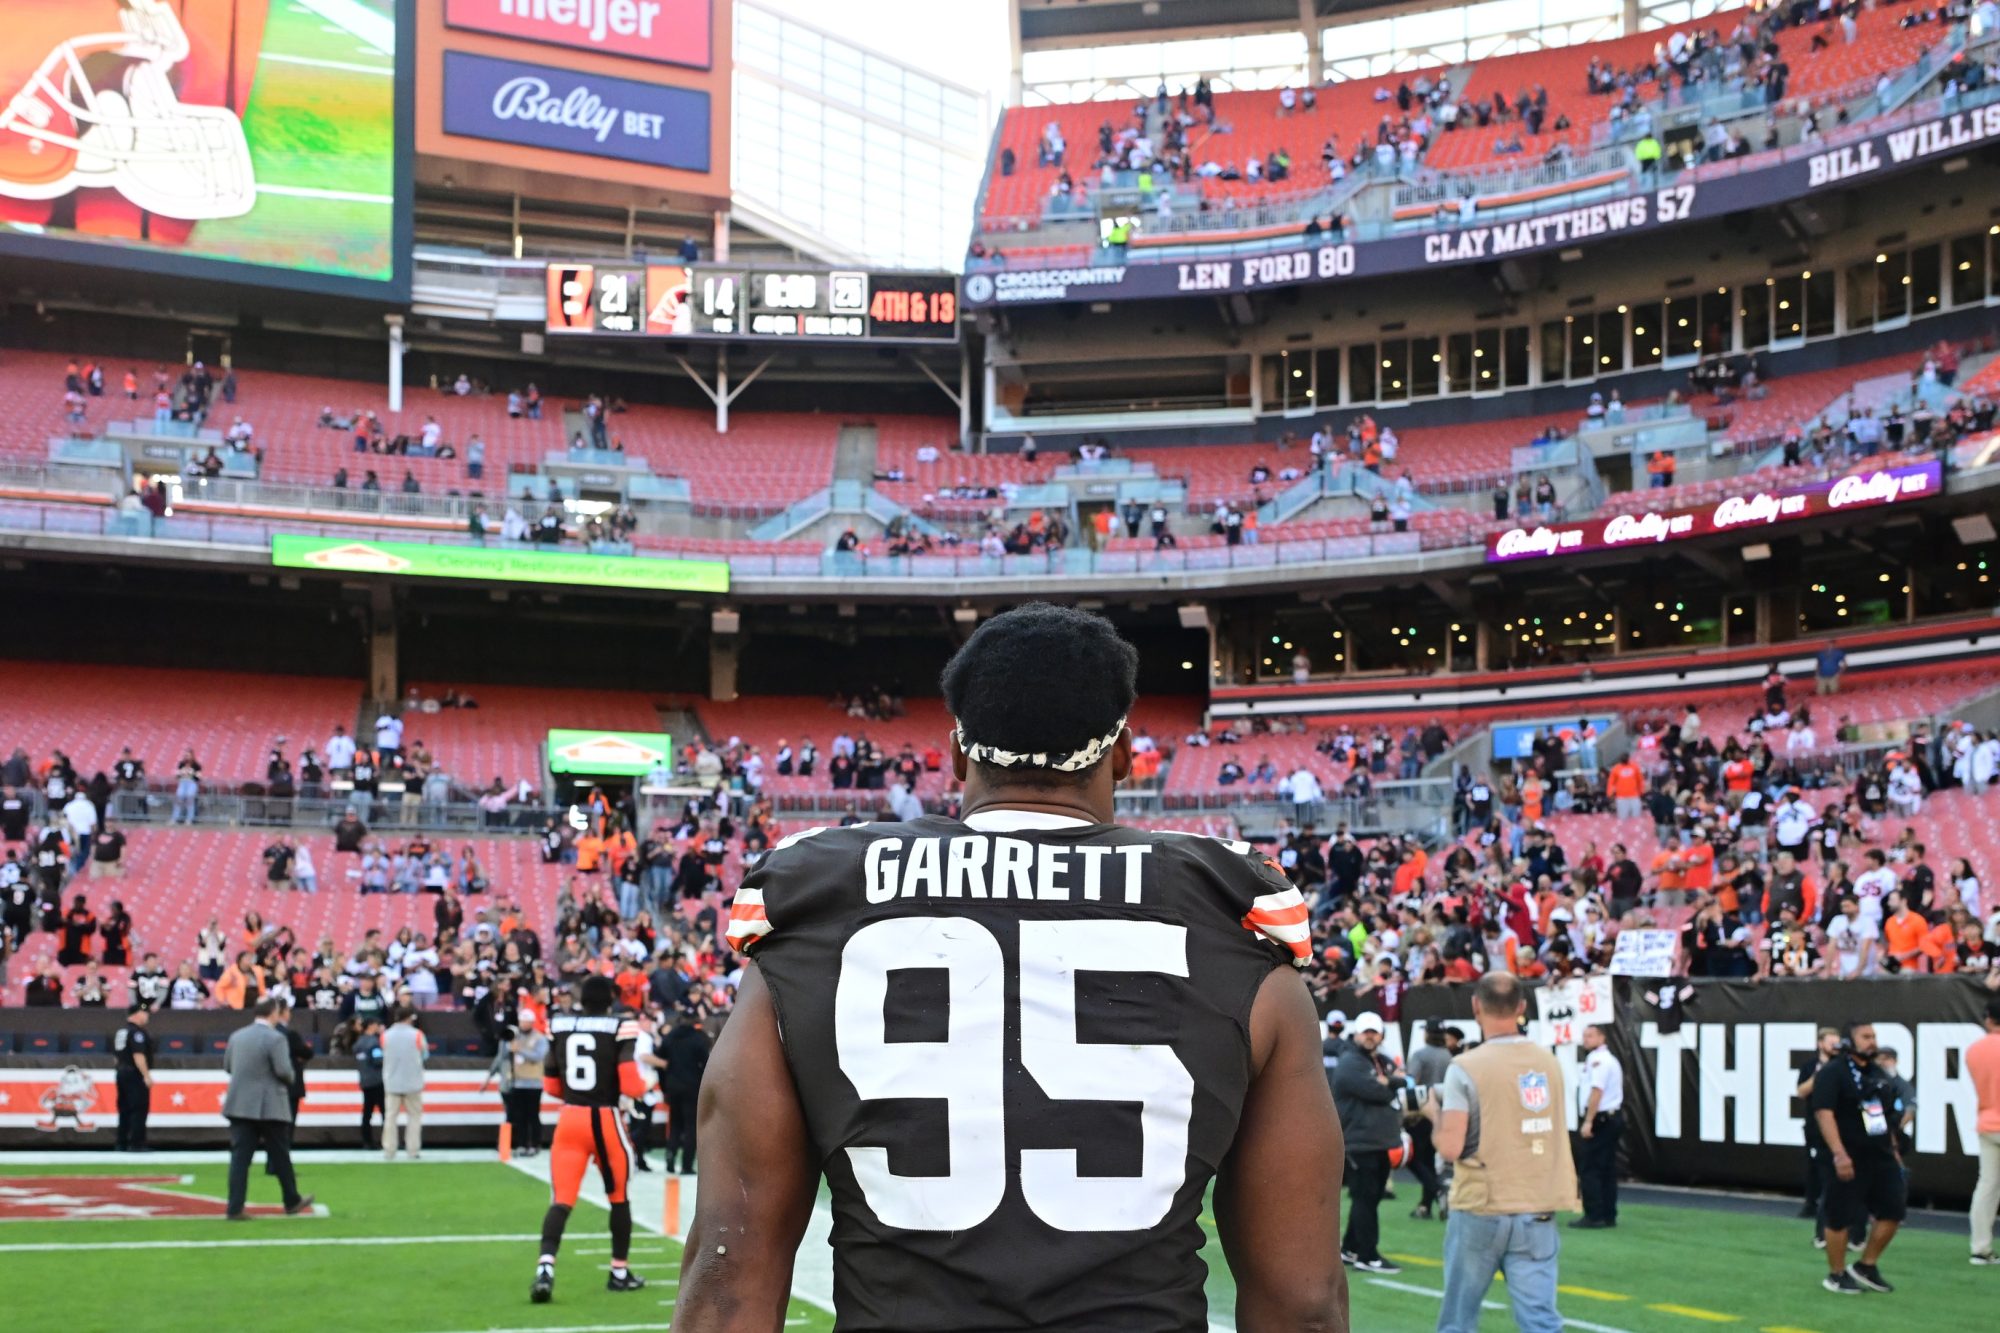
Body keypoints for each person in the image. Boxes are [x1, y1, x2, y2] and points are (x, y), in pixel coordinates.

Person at [677, 603, 1347, 1333]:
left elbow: (727, 1284)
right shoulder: (1235, 928)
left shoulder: (812, 918)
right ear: (1121, 755)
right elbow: (1302, 1303)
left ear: (960, 756)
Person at [1428, 971, 1579, 1333]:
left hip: (1482, 1204)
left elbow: (1450, 1146)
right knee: (1541, 1321)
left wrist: (1432, 1112)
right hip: (1536, 1204)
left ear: (1476, 1006)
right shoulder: (1548, 1061)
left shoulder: (1465, 1067)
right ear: (1522, 1007)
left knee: (1458, 1321)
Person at [533, 974, 649, 1304]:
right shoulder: (619, 1027)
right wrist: (647, 1087)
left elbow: (552, 1086)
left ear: (581, 998)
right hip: (604, 1120)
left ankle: (545, 1267)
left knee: (561, 1199)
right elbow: (629, 1084)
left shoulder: (559, 1024)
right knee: (618, 1196)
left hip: (569, 1120)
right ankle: (619, 1272)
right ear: (610, 998)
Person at [1811, 1022, 1905, 1295]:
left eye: (1874, 1036)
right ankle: (1836, 1273)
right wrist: (1839, 1154)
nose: (1871, 1041)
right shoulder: (1833, 1072)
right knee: (1840, 1215)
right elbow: (1824, 1113)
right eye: (1865, 1037)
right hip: (1846, 1154)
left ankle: (1866, 1265)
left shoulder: (1876, 1073)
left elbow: (1879, 1117)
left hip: (1878, 1154)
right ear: (1849, 1041)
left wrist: (1893, 1150)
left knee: (1893, 1210)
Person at [222, 997, 314, 1219]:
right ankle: (291, 1200)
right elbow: (284, 1071)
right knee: (280, 1155)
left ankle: (235, 1208)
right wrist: (291, 1077)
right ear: (274, 1013)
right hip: (270, 1104)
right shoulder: (276, 1038)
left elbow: (228, 1066)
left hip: (241, 1104)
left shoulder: (237, 1036)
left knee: (240, 1159)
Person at [1333, 1011, 1404, 1273]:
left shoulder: (1379, 1060)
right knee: (1365, 1198)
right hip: (1359, 1141)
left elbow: (1403, 1079)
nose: (1371, 1037)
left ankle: (1351, 1248)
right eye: (1366, 1032)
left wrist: (1391, 1081)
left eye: (1375, 1032)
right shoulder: (1351, 1061)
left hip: (1376, 1141)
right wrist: (1388, 1084)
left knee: (1369, 1198)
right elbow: (1376, 1090)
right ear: (1357, 1033)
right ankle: (1367, 1254)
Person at [1572, 1023, 1624, 1229]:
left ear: (1602, 1038)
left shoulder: (1599, 1061)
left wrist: (1588, 1120)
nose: (1586, 1039)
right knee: (1607, 1168)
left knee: (1590, 1168)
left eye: (1590, 1036)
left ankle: (1594, 1215)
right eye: (1584, 1036)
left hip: (1601, 1119)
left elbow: (1597, 1091)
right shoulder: (1604, 1059)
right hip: (1610, 1118)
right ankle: (1608, 1214)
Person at [1405, 1020, 1453, 1220]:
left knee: (1414, 1159)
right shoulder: (1448, 1056)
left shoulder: (1420, 1055)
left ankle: (1437, 1189)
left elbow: (1410, 1083)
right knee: (1431, 1161)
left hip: (1421, 1113)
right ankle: (1425, 1205)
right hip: (1442, 1114)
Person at [1967, 993, 2000, 1265]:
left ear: (1988, 1019)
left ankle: (1980, 1247)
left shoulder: (1974, 1049)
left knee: (1987, 1186)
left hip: (1987, 1123)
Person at [659, 1010, 710, 1175]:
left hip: (673, 1085)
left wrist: (664, 1085)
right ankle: (686, 1165)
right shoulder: (698, 1038)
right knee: (690, 1127)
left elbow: (661, 1059)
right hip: (691, 1086)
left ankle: (670, 1156)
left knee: (675, 1124)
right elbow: (706, 1064)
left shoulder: (670, 1037)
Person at [382, 1005, 428, 1160]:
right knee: (414, 1117)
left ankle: (389, 1150)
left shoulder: (386, 1035)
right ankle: (412, 1150)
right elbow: (425, 1054)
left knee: (390, 1117)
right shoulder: (417, 1035)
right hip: (412, 1082)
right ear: (409, 1018)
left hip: (392, 1082)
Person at [113, 1002, 153, 1152]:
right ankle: (137, 1143)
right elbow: (138, 1055)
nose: (147, 1016)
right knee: (138, 1108)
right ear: (137, 1014)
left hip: (121, 1072)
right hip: (134, 1074)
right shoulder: (137, 1033)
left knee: (124, 1109)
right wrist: (146, 1075)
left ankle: (121, 1142)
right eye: (144, 1013)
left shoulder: (121, 1032)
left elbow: (116, 1057)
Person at [354, 1017, 386, 1149]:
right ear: (371, 1026)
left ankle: (367, 1141)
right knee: (385, 1111)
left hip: (365, 1080)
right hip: (377, 1080)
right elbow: (378, 1060)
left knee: (367, 1112)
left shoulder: (358, 1043)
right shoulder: (374, 1042)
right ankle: (388, 1140)